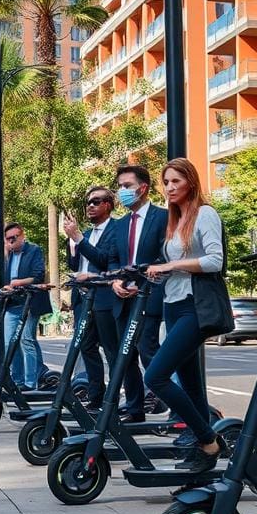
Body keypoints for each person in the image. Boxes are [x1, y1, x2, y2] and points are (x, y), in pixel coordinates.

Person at [143, 158, 224, 472]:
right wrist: (159, 274)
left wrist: (171, 265)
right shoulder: (174, 221)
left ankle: (208, 439)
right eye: (166, 182)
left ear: (191, 181)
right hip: (172, 305)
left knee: (156, 376)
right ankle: (201, 447)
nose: (169, 188)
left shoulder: (205, 214)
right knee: (191, 385)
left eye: (176, 181)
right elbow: (175, 264)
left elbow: (215, 260)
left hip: (195, 306)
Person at [106, 165, 168, 424]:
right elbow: (112, 259)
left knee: (148, 351)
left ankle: (165, 398)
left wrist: (147, 279)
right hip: (123, 300)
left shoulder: (163, 217)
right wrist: (115, 280)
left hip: (150, 295)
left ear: (142, 188)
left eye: (127, 186)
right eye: (119, 186)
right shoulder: (119, 225)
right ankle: (134, 409)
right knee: (125, 355)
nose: (122, 192)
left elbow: (168, 256)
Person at [63, 186, 117, 410]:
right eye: (88, 203)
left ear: (108, 205)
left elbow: (104, 261)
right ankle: (96, 396)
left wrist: (78, 237)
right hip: (83, 300)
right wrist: (72, 241)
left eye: (96, 201)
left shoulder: (116, 229)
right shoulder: (85, 232)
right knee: (86, 347)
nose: (90, 206)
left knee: (112, 350)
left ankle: (113, 399)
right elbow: (75, 264)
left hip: (104, 298)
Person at [3, 223, 52, 390]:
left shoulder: (34, 250)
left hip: (30, 301)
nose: (10, 242)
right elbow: (5, 278)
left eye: (13, 238)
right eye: (7, 239)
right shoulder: (8, 255)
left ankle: (31, 383)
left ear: (22, 236)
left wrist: (18, 283)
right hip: (13, 303)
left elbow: (38, 275)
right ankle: (17, 380)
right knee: (10, 342)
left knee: (26, 340)